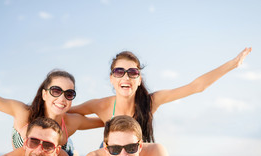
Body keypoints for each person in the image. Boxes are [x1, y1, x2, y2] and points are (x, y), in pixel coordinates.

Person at [0, 31, 104, 156]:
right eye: (56, 91)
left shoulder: (71, 122)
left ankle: (74, 154)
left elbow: (105, 121)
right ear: (44, 94)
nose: (61, 98)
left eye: (69, 94)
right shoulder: (23, 112)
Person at [69, 48, 252, 142]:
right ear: (111, 78)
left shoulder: (150, 102)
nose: (126, 76)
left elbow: (196, 87)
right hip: (111, 155)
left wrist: (233, 64)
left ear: (139, 79)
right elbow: (65, 111)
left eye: (132, 72)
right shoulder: (100, 105)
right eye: (119, 71)